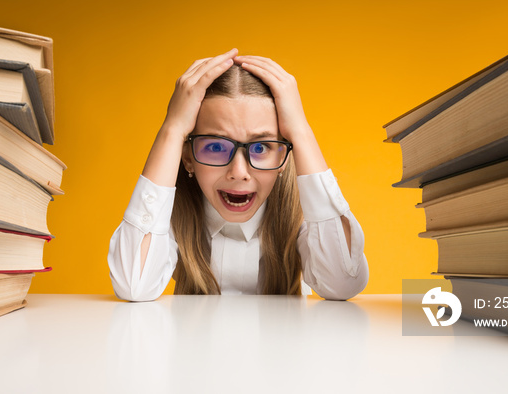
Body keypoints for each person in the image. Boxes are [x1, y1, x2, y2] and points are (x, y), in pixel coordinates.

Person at [108, 48, 368, 301]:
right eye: (216, 146)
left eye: (260, 147)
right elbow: (134, 286)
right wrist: (172, 129)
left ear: (282, 158)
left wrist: (300, 131)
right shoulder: (169, 217)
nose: (239, 172)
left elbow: (342, 283)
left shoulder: (304, 217)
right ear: (187, 157)